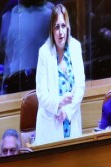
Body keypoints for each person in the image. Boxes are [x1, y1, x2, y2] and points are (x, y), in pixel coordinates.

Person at [34, 4, 85, 145]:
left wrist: (67, 111)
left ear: (68, 27)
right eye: (57, 27)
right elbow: (41, 94)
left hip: (71, 120)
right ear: (52, 29)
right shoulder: (44, 53)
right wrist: (59, 104)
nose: (61, 32)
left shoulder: (76, 47)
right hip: (51, 124)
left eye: (63, 26)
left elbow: (80, 87)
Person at [0, 0, 53, 94]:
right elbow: (6, 55)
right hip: (14, 85)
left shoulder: (50, 13)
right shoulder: (9, 15)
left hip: (43, 86)